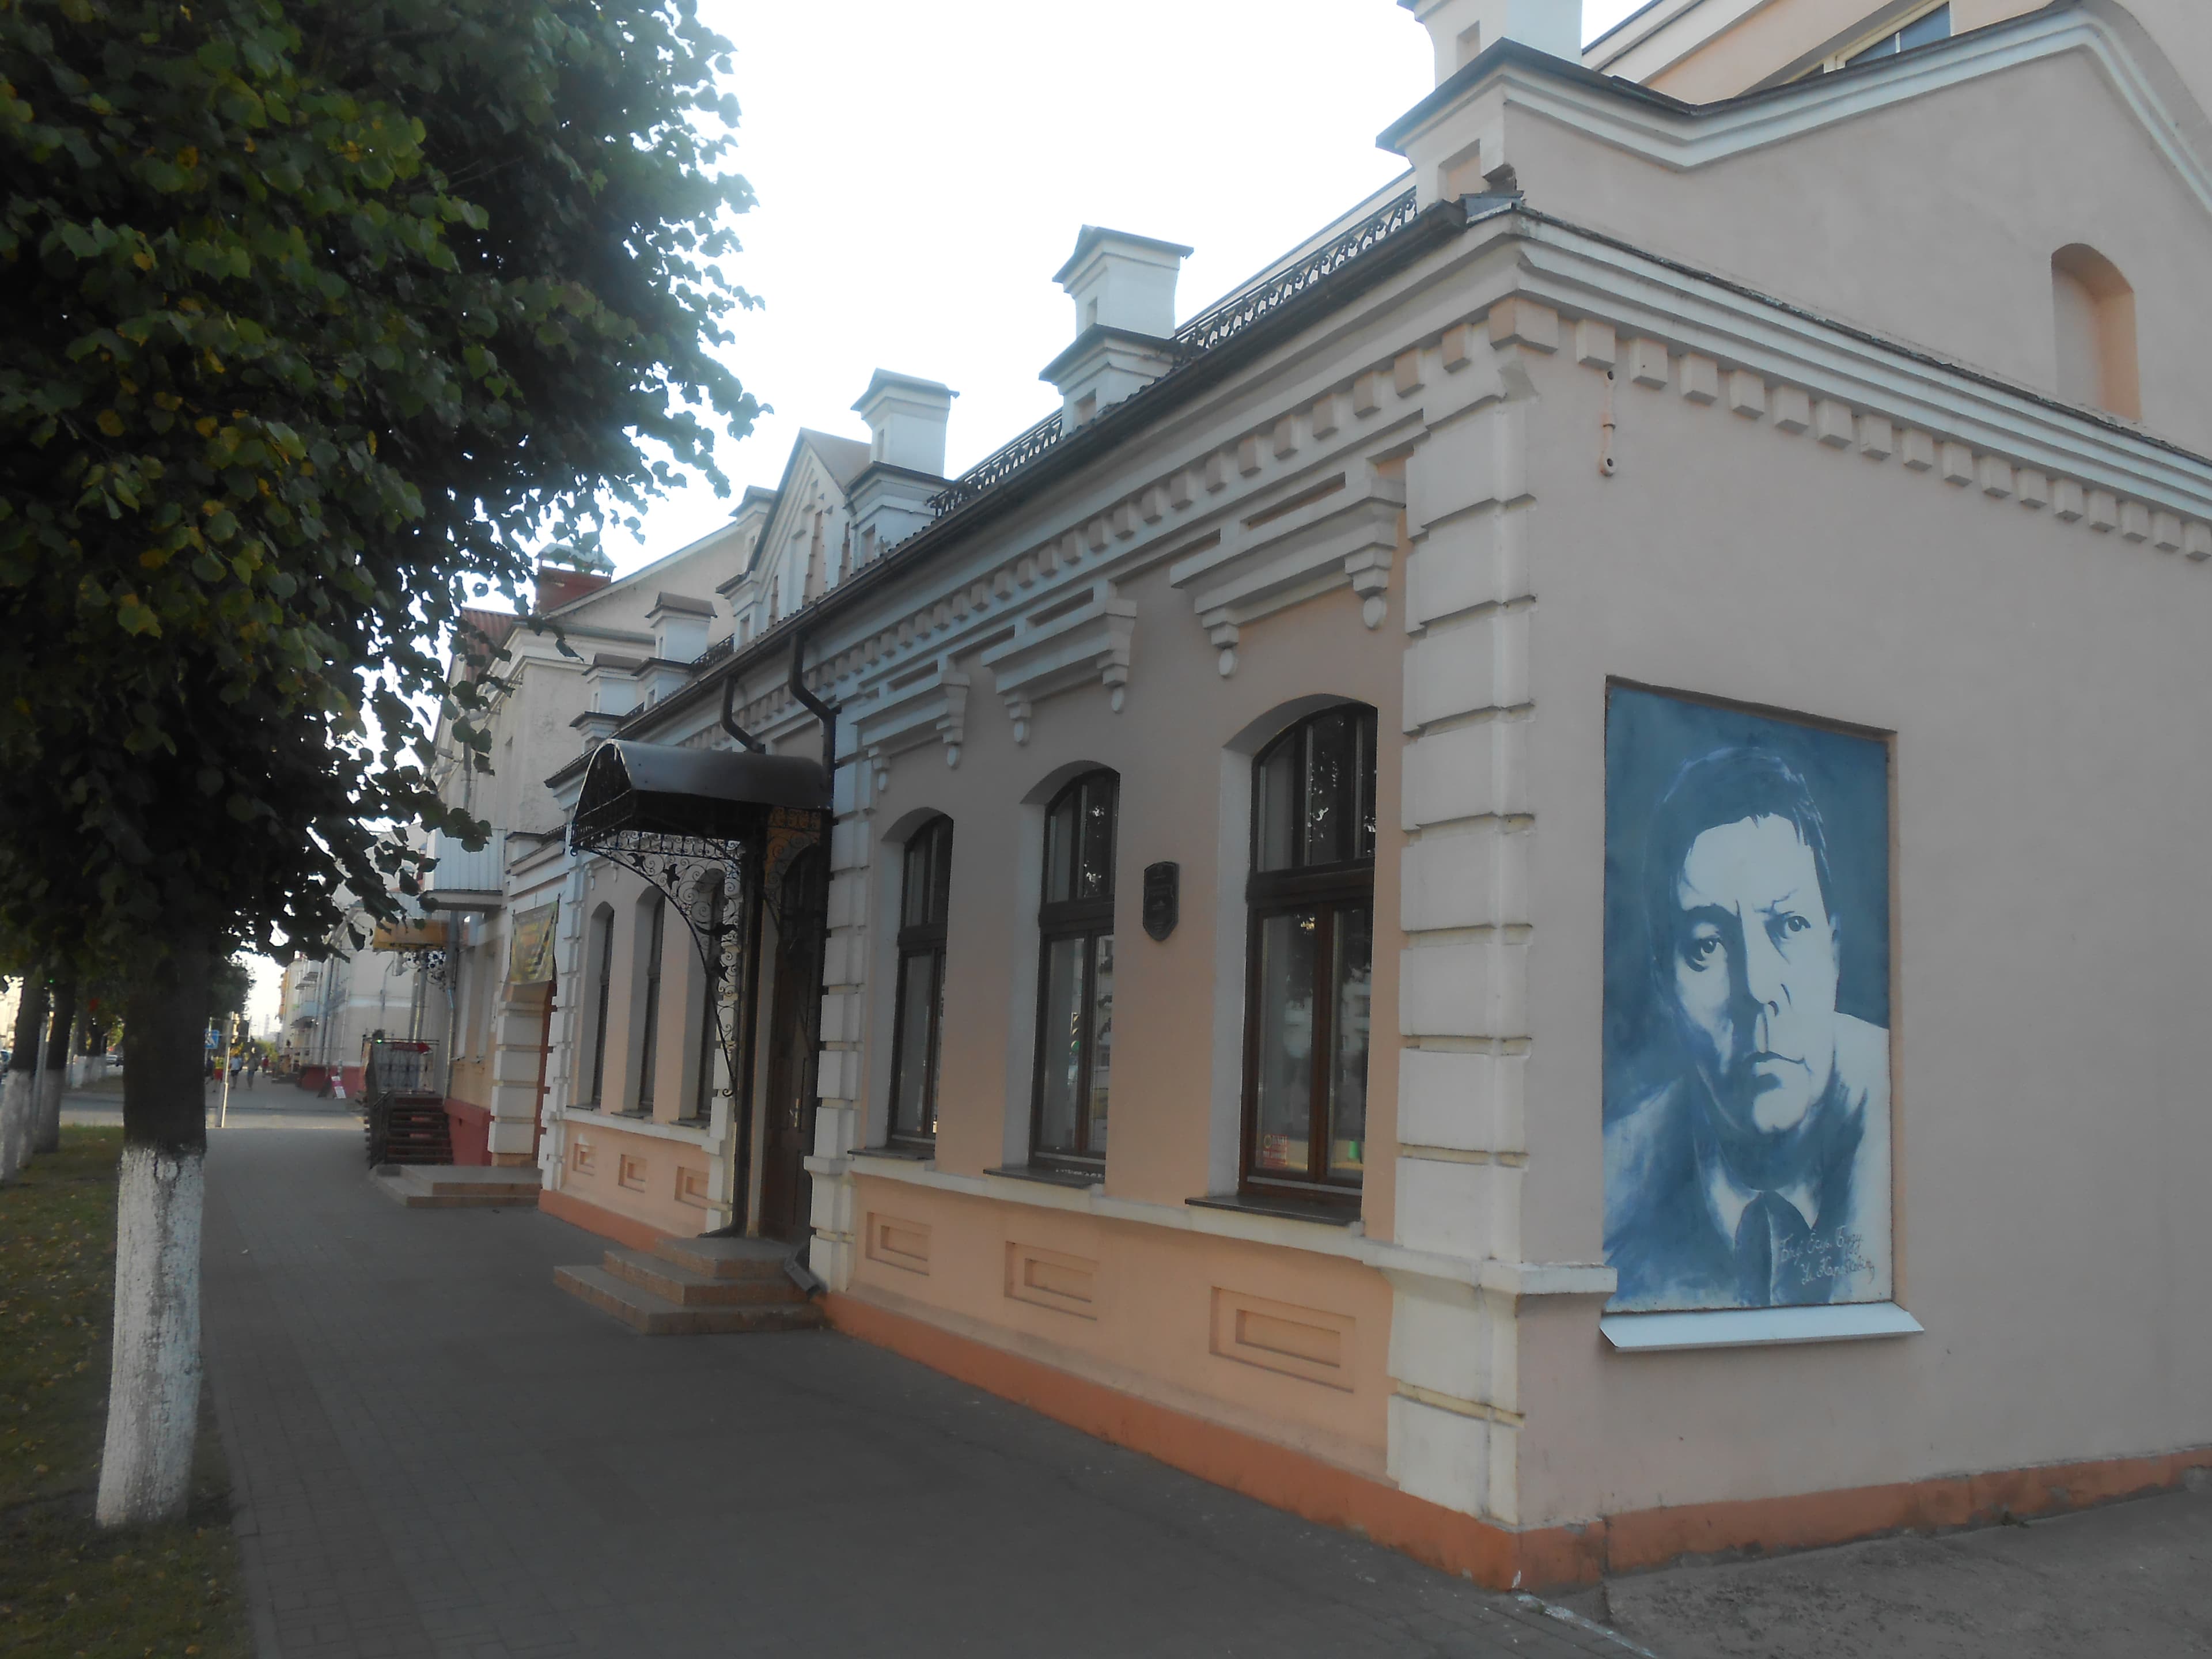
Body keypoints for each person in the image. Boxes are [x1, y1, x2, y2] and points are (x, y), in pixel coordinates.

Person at [1604, 747, 1889, 1311]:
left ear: (1832, 953)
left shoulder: (1912, 1120)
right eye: (1708, 946)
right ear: (1665, 986)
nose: (1757, 988)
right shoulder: (1614, 1194)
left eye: (1788, 926)